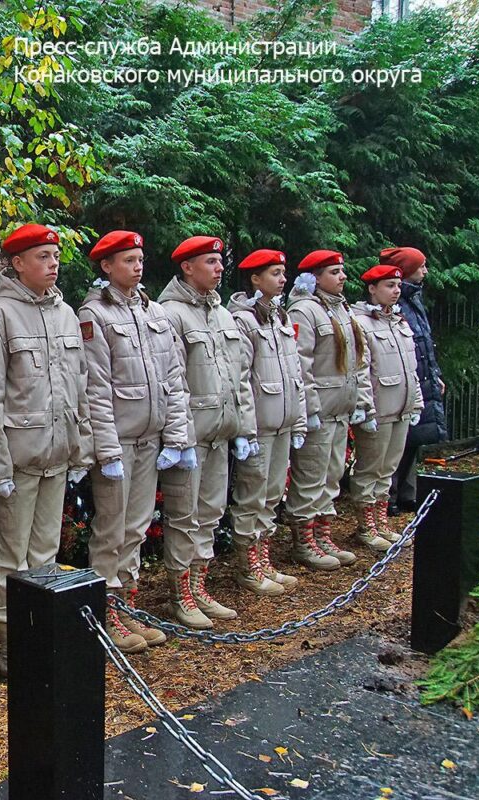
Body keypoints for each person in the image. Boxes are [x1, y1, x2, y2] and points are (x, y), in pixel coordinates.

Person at [0, 224, 94, 676]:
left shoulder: (65, 314)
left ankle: (41, 633)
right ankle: (12, 645)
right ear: (17, 263)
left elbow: (79, 389)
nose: (52, 263)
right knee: (12, 556)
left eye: (54, 255)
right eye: (41, 256)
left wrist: (80, 451)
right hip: (20, 459)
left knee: (45, 550)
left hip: (57, 454)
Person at [79, 230, 192, 651]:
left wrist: (176, 436)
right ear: (107, 267)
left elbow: (174, 378)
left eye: (140, 259)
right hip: (120, 442)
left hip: (150, 438)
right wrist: (106, 451)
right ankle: (106, 610)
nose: (138, 266)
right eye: (128, 260)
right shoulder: (96, 315)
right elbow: (95, 388)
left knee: (138, 526)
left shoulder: (155, 313)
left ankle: (127, 604)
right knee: (112, 527)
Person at [157, 236, 251, 625]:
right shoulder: (171, 314)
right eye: (209, 261)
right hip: (191, 435)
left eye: (219, 261)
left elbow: (239, 377)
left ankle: (199, 586)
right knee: (184, 516)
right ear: (187, 267)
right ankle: (181, 595)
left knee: (211, 511)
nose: (218, 268)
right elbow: (172, 379)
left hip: (220, 431)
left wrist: (244, 427)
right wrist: (180, 437)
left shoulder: (223, 314)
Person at [286, 250, 375, 570]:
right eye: (335, 272)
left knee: (331, 476)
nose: (343, 277)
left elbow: (358, 363)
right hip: (318, 412)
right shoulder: (305, 311)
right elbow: (300, 364)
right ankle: (304, 541)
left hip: (340, 410)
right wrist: (308, 408)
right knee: (310, 478)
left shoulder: (342, 310)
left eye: (342, 271)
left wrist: (361, 402)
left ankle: (322, 535)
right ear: (315, 277)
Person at [227, 249, 306, 595]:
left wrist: (299, 420)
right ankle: (247, 565)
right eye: (274, 273)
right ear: (255, 279)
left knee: (272, 494)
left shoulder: (279, 316)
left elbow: (295, 373)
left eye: (282, 272)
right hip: (259, 422)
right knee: (252, 494)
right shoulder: (245, 320)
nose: (282, 278)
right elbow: (240, 377)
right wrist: (246, 428)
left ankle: (264, 557)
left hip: (283, 420)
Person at [350, 264, 423, 550]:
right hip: (378, 409)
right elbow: (361, 370)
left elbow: (411, 367)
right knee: (370, 467)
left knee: (388, 468)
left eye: (397, 286)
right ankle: (366, 525)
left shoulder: (399, 321)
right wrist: (365, 407)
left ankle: (381, 521)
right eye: (389, 286)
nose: (396, 291)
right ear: (372, 288)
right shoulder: (362, 322)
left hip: (400, 406)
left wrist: (415, 402)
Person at [383, 247, 447, 513]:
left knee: (415, 438)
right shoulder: (396, 303)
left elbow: (424, 343)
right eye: (421, 266)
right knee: (399, 441)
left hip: (422, 375)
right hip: (405, 378)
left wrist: (436, 375)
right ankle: (390, 495)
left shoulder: (414, 300)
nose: (425, 271)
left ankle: (408, 493)